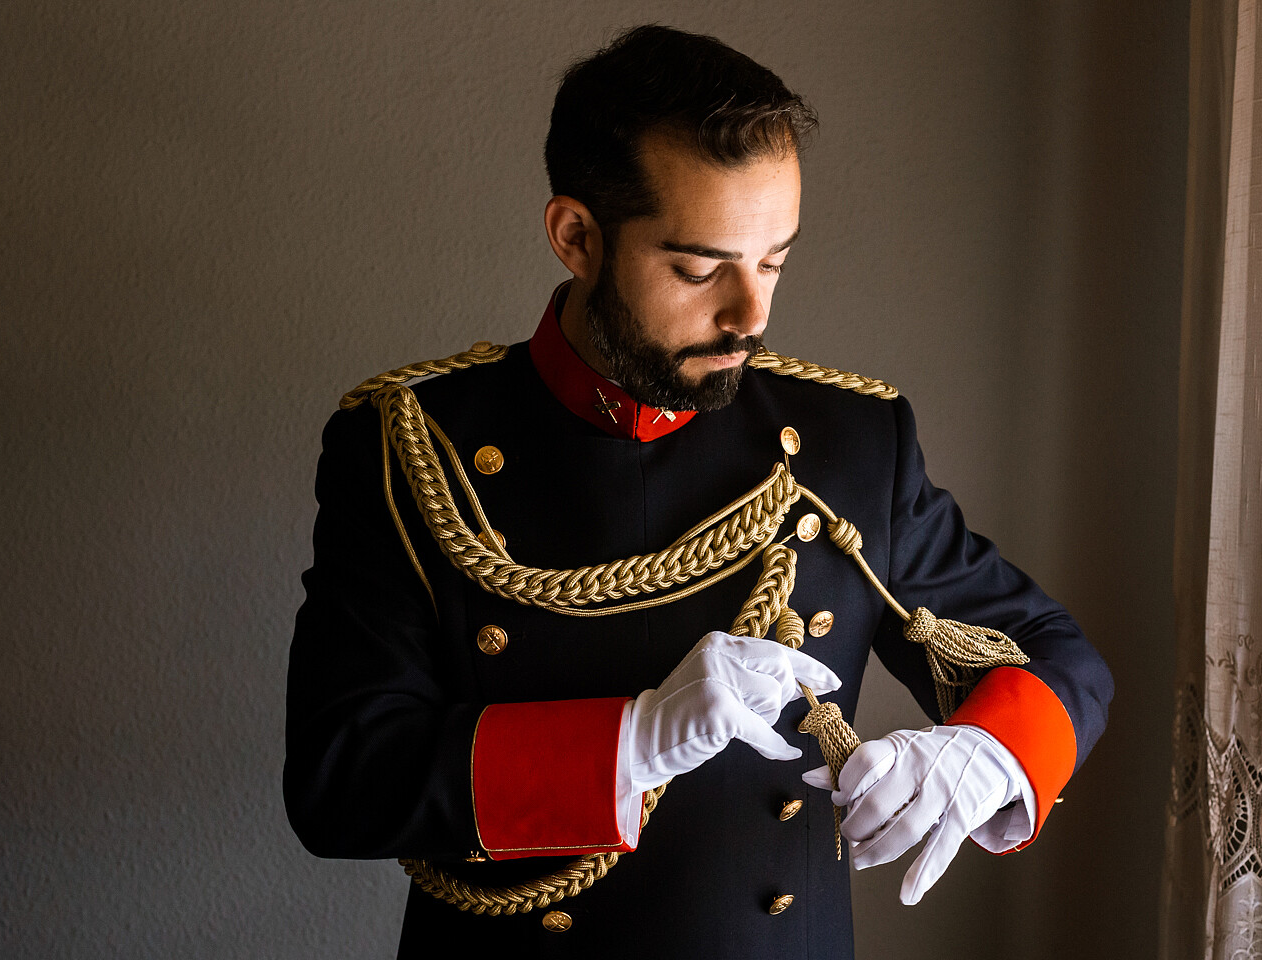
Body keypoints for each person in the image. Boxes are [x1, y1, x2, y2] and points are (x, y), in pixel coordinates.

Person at [284, 24, 1113, 960]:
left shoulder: (848, 445)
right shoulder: (411, 445)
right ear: (576, 237)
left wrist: (988, 754)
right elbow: (339, 781)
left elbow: (1058, 656)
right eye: (699, 268)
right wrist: (632, 740)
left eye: (774, 261)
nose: (750, 315)